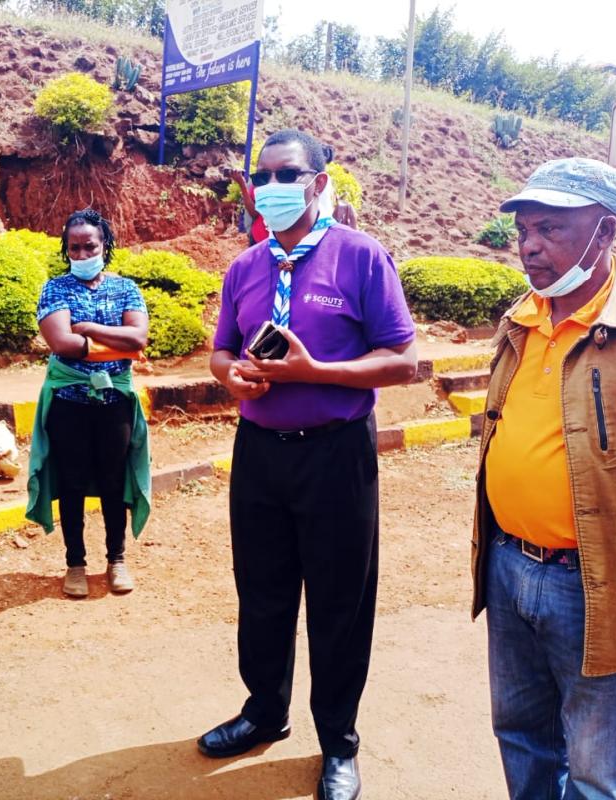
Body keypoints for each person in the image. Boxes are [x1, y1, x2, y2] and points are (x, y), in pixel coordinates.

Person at [199, 130, 417, 800]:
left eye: (286, 174)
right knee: (261, 593)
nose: (271, 187)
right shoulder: (245, 266)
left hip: (335, 454)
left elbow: (402, 361)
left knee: (338, 602)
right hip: (260, 453)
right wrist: (231, 376)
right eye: (261, 176)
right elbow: (220, 352)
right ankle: (264, 711)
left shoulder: (360, 256)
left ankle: (338, 744)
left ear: (319, 182)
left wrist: (314, 370)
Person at [472, 157, 616, 799]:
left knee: (596, 769)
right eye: (524, 230)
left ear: (606, 232)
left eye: (551, 229)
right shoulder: (522, 319)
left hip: (603, 585)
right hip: (509, 566)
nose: (530, 246)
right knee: (522, 736)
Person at [25, 209, 151, 599]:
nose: (82, 254)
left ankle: (117, 560)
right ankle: (75, 564)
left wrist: (91, 329)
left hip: (115, 402)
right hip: (69, 402)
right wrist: (118, 342)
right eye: (74, 248)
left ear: (104, 245)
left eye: (89, 247)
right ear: (66, 249)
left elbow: (139, 339)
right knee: (72, 482)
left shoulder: (126, 288)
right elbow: (61, 343)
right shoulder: (55, 289)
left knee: (114, 480)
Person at [229, 165, 357, 247]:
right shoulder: (260, 186)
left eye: (286, 175)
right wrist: (242, 185)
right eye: (264, 175)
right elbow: (254, 213)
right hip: (260, 241)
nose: (273, 181)